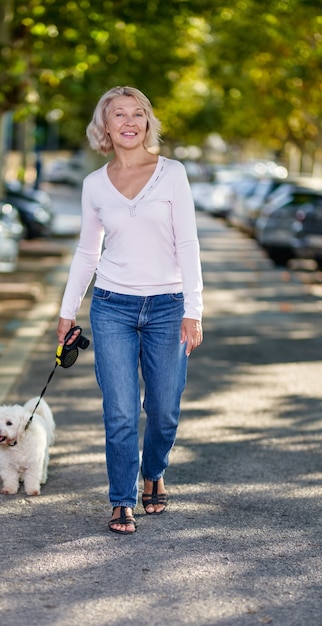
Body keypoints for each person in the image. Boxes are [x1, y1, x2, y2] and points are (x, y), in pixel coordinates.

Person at [57, 86, 203, 535]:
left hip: (167, 306)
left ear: (147, 122)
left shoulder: (172, 173)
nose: (128, 121)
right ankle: (122, 498)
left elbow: (187, 242)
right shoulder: (95, 185)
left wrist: (193, 309)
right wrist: (67, 313)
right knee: (119, 410)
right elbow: (87, 252)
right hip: (111, 306)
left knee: (163, 408)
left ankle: (153, 471)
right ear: (105, 126)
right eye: (118, 114)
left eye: (137, 113)